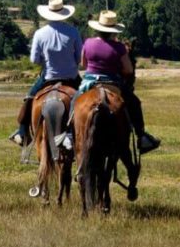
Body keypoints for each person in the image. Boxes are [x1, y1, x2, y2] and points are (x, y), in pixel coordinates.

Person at [57, 10, 160, 154]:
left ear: (98, 28)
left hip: (89, 82)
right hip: (112, 82)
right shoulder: (119, 47)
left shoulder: (88, 43)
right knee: (135, 103)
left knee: (75, 100)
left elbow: (83, 64)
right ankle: (141, 136)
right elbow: (129, 70)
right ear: (113, 31)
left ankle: (68, 132)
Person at [9, 0, 83, 146]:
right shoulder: (73, 32)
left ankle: (22, 130)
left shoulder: (40, 33)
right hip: (72, 77)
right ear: (63, 13)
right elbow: (79, 58)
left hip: (48, 77)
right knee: (87, 99)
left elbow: (34, 60)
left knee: (30, 97)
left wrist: (45, 60)